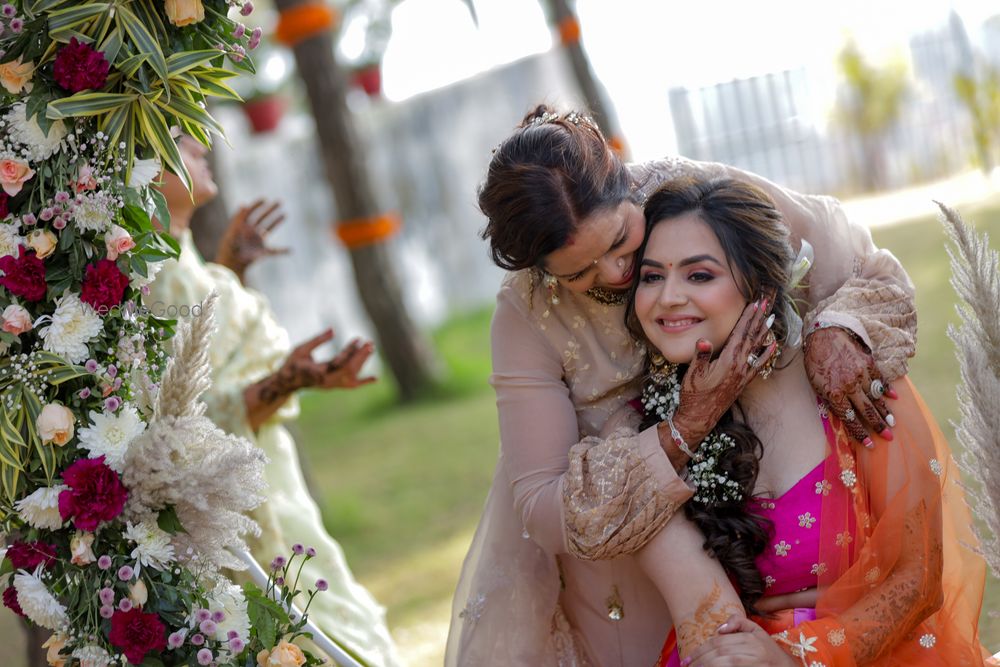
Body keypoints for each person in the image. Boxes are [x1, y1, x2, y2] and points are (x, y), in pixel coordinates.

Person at [446, 105, 918, 666]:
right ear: (545, 272)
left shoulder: (691, 196)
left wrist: (835, 330)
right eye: (579, 273)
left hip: (785, 500)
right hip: (631, 572)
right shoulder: (526, 315)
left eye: (622, 240)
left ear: (626, 183)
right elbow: (545, 508)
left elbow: (862, 266)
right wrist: (684, 427)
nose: (617, 273)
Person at [620, 177, 989, 665]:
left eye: (699, 275)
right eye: (651, 277)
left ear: (763, 284)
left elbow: (918, 581)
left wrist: (796, 653)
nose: (667, 297)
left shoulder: (850, 381)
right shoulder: (655, 433)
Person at [148, 136, 402, 667]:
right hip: (239, 501)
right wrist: (284, 382)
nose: (198, 145)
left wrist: (234, 272)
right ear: (145, 174)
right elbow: (181, 421)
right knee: (305, 634)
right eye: (178, 144)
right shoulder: (152, 284)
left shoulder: (195, 271)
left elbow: (212, 359)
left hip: (276, 478)